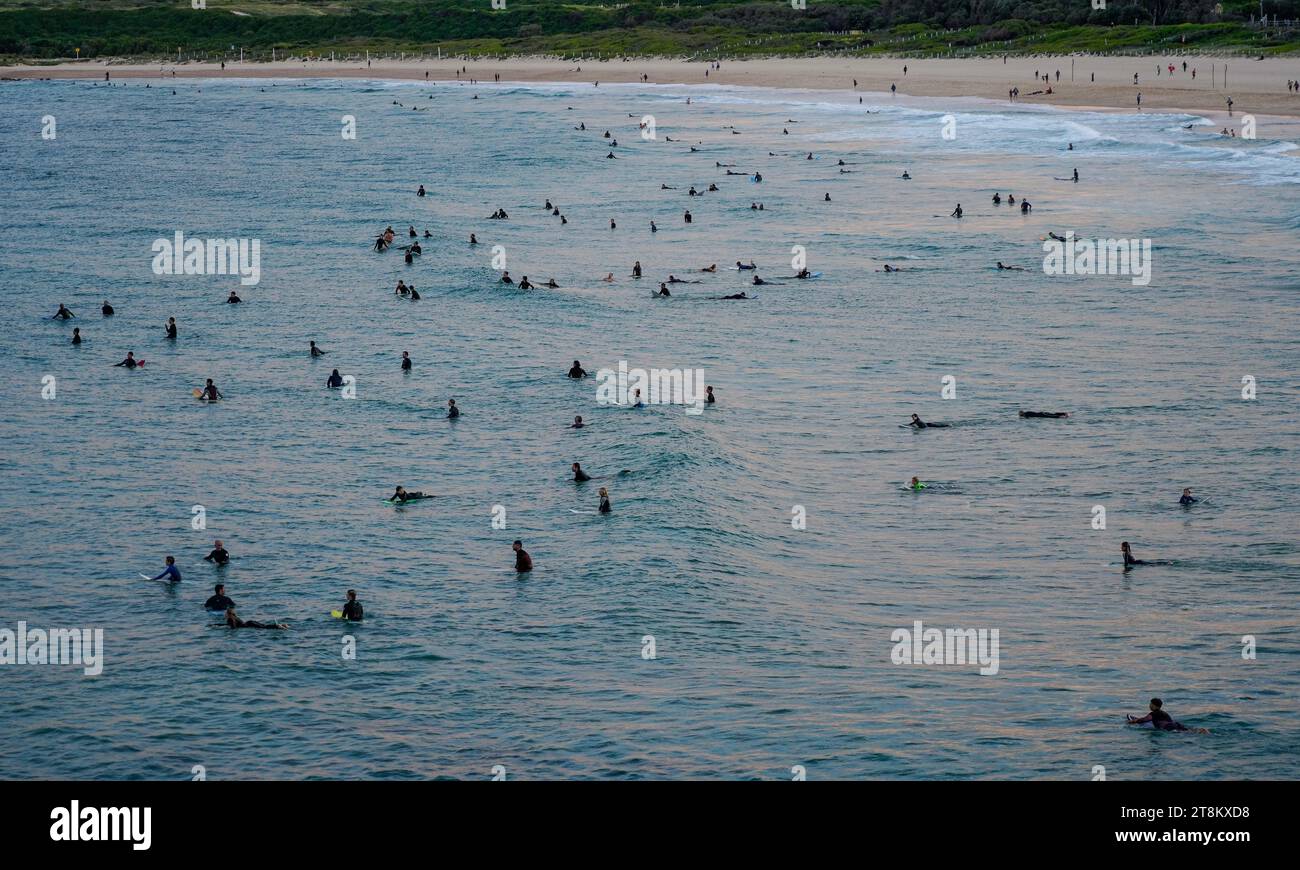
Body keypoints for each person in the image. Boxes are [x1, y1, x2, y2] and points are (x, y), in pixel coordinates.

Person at [1126, 698, 1208, 733]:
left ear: (1155, 706)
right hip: (1175, 724)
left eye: (1151, 704)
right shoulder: (1164, 713)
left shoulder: (1153, 713)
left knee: (1186, 733)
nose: (1149, 706)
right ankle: (1201, 730)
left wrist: (1133, 721)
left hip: (1168, 727)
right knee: (1188, 731)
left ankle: (1200, 731)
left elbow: (1144, 720)